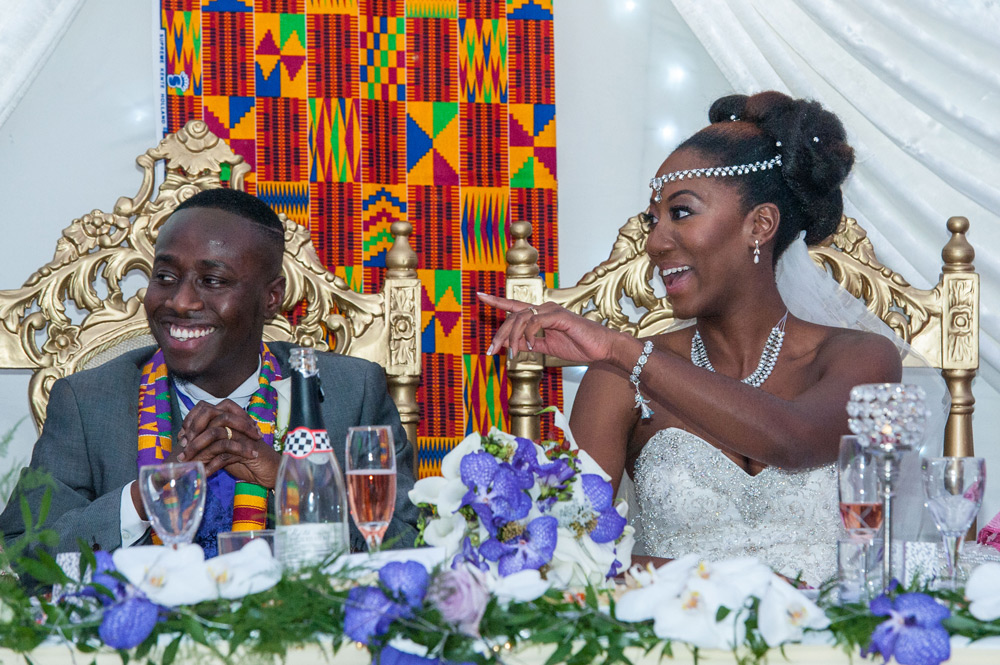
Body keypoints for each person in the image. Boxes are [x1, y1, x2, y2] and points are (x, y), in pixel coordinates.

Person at [479, 92, 906, 586]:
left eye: (681, 212)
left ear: (760, 224)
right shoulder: (616, 378)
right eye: (653, 219)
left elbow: (794, 440)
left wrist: (623, 347)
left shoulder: (862, 357)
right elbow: (572, 557)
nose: (655, 242)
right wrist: (728, 582)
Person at [0, 188, 419, 556]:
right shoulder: (89, 401)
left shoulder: (350, 392)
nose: (180, 302)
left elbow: (405, 547)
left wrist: (291, 483)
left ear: (272, 298)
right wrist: (147, 497)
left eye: (213, 280)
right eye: (165, 276)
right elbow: (24, 552)